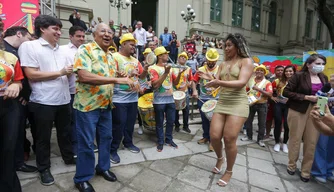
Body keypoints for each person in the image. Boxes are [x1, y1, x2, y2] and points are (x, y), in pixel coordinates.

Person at [72, 23, 134, 192]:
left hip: (106, 105)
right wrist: (116, 80)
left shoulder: (111, 56)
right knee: (86, 143)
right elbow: (83, 75)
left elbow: (113, 77)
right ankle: (82, 178)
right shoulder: (85, 50)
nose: (107, 34)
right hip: (87, 106)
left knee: (106, 138)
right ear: (94, 34)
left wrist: (124, 78)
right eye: (103, 31)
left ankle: (103, 168)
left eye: (110, 32)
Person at [19, 15, 76, 186]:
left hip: (64, 99)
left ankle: (68, 157)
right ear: (42, 28)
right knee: (42, 138)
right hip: (42, 101)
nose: (59, 32)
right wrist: (60, 72)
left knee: (65, 133)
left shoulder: (63, 49)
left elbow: (70, 72)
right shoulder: (30, 46)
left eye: (60, 29)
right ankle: (44, 167)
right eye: (55, 29)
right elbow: (31, 74)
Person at [199, 34, 253, 187]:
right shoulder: (223, 64)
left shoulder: (246, 61)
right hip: (222, 102)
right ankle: (220, 158)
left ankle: (229, 171)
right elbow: (216, 83)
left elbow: (242, 82)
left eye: (229, 45)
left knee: (229, 138)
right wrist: (207, 79)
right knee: (214, 136)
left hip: (238, 103)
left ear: (238, 46)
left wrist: (217, 81)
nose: (226, 48)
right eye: (225, 45)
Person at [283, 54, 328, 182]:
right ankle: (291, 165)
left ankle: (306, 171)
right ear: (308, 64)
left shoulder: (323, 78)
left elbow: (325, 94)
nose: (320, 66)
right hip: (298, 110)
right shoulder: (298, 76)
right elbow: (286, 92)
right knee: (295, 138)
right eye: (317, 63)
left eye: (322, 64)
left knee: (312, 141)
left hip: (317, 110)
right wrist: (306, 97)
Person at [3, 26, 38, 172]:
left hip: (16, 101)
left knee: (16, 134)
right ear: (19, 34)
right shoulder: (7, 51)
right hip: (7, 101)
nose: (30, 42)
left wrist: (23, 94)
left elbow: (19, 78)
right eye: (28, 39)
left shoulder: (12, 54)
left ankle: (16, 163)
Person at [110, 33, 148, 164]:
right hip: (118, 98)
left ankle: (128, 143)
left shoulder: (135, 60)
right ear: (123, 44)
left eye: (134, 45)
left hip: (133, 98)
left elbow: (142, 77)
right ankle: (113, 149)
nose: (133, 47)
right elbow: (109, 74)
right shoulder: (114, 57)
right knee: (118, 124)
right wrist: (127, 75)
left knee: (130, 123)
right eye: (131, 44)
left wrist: (146, 69)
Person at [0, 17, 24, 192]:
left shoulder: (10, 57)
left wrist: (16, 85)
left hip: (8, 106)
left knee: (8, 149)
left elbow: (18, 80)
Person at [60, 26, 85, 157]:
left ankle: (82, 144)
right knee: (71, 121)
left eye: (83, 36)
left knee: (81, 120)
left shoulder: (86, 50)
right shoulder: (63, 50)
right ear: (70, 36)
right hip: (69, 91)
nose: (81, 38)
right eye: (78, 36)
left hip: (84, 91)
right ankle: (74, 147)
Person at [148, 47, 177, 152]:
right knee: (159, 122)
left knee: (171, 121)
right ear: (159, 56)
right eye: (165, 54)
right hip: (159, 100)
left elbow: (176, 83)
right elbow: (155, 85)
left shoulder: (170, 68)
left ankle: (169, 139)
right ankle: (160, 141)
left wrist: (181, 73)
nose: (167, 55)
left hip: (170, 99)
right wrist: (165, 73)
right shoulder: (152, 68)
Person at [192, 48, 220, 151]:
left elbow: (221, 83)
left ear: (216, 60)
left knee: (214, 121)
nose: (211, 62)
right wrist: (194, 90)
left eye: (213, 61)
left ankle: (213, 141)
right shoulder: (201, 69)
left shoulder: (219, 70)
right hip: (203, 98)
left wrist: (210, 78)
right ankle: (206, 136)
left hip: (215, 99)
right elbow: (194, 81)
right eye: (209, 60)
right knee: (204, 120)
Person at [241, 65, 273, 147]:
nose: (259, 72)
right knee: (248, 121)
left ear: (264, 72)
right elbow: (246, 90)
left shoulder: (267, 83)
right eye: (258, 70)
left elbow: (270, 94)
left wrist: (258, 89)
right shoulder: (251, 80)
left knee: (262, 123)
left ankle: (260, 139)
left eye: (261, 70)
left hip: (262, 104)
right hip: (251, 103)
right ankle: (249, 136)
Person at [310, 82, 334, 183]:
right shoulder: (329, 87)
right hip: (327, 114)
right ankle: (319, 171)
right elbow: (319, 97)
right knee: (323, 144)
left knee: (332, 148)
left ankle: (329, 170)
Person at [271, 65, 296, 153]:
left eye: (290, 71)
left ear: (294, 72)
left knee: (287, 124)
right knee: (278, 122)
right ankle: (277, 142)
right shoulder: (277, 81)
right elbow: (270, 91)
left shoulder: (297, 82)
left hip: (290, 105)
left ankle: (285, 143)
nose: (288, 73)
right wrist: (272, 97)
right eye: (287, 71)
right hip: (279, 104)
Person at [172, 52, 194, 133]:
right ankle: (177, 125)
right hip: (175, 92)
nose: (183, 58)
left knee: (186, 110)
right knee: (175, 110)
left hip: (185, 92)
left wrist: (190, 83)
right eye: (181, 57)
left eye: (185, 57)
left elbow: (191, 79)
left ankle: (185, 126)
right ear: (178, 58)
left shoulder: (188, 68)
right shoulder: (173, 68)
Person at [137, 48, 153, 135]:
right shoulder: (140, 64)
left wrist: (152, 81)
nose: (148, 56)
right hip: (142, 89)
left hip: (152, 89)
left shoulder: (154, 65)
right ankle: (140, 125)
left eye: (149, 54)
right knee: (141, 108)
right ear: (144, 55)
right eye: (146, 54)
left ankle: (152, 124)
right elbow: (138, 77)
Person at [265, 65, 284, 139]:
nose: (280, 71)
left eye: (282, 70)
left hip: (282, 104)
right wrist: (272, 97)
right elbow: (268, 91)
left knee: (280, 120)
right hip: (271, 103)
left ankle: (278, 136)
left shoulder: (288, 80)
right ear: (275, 71)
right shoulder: (271, 80)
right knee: (268, 119)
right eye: (278, 70)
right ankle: (267, 134)